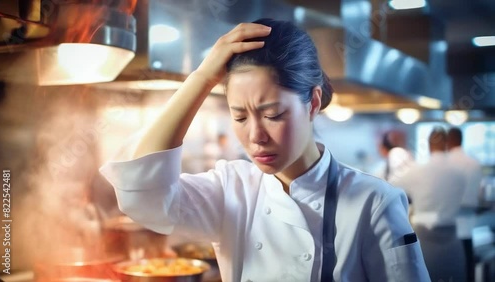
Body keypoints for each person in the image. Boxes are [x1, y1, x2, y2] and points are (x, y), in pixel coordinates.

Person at [99, 19, 430, 281]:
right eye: (239, 116)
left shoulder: (375, 203)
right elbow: (141, 194)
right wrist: (202, 77)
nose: (255, 136)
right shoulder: (231, 189)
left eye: (273, 114)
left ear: (313, 103)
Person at [391, 127, 467, 282]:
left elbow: (389, 188)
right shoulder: (460, 173)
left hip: (423, 239)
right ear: (447, 145)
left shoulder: (417, 171)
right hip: (452, 239)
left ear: (429, 145)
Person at [447, 126, 483, 282]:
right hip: (468, 225)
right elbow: (479, 192)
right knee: (468, 268)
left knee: (448, 270)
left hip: (447, 227)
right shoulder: (474, 163)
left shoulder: (446, 163)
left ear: (449, 141)